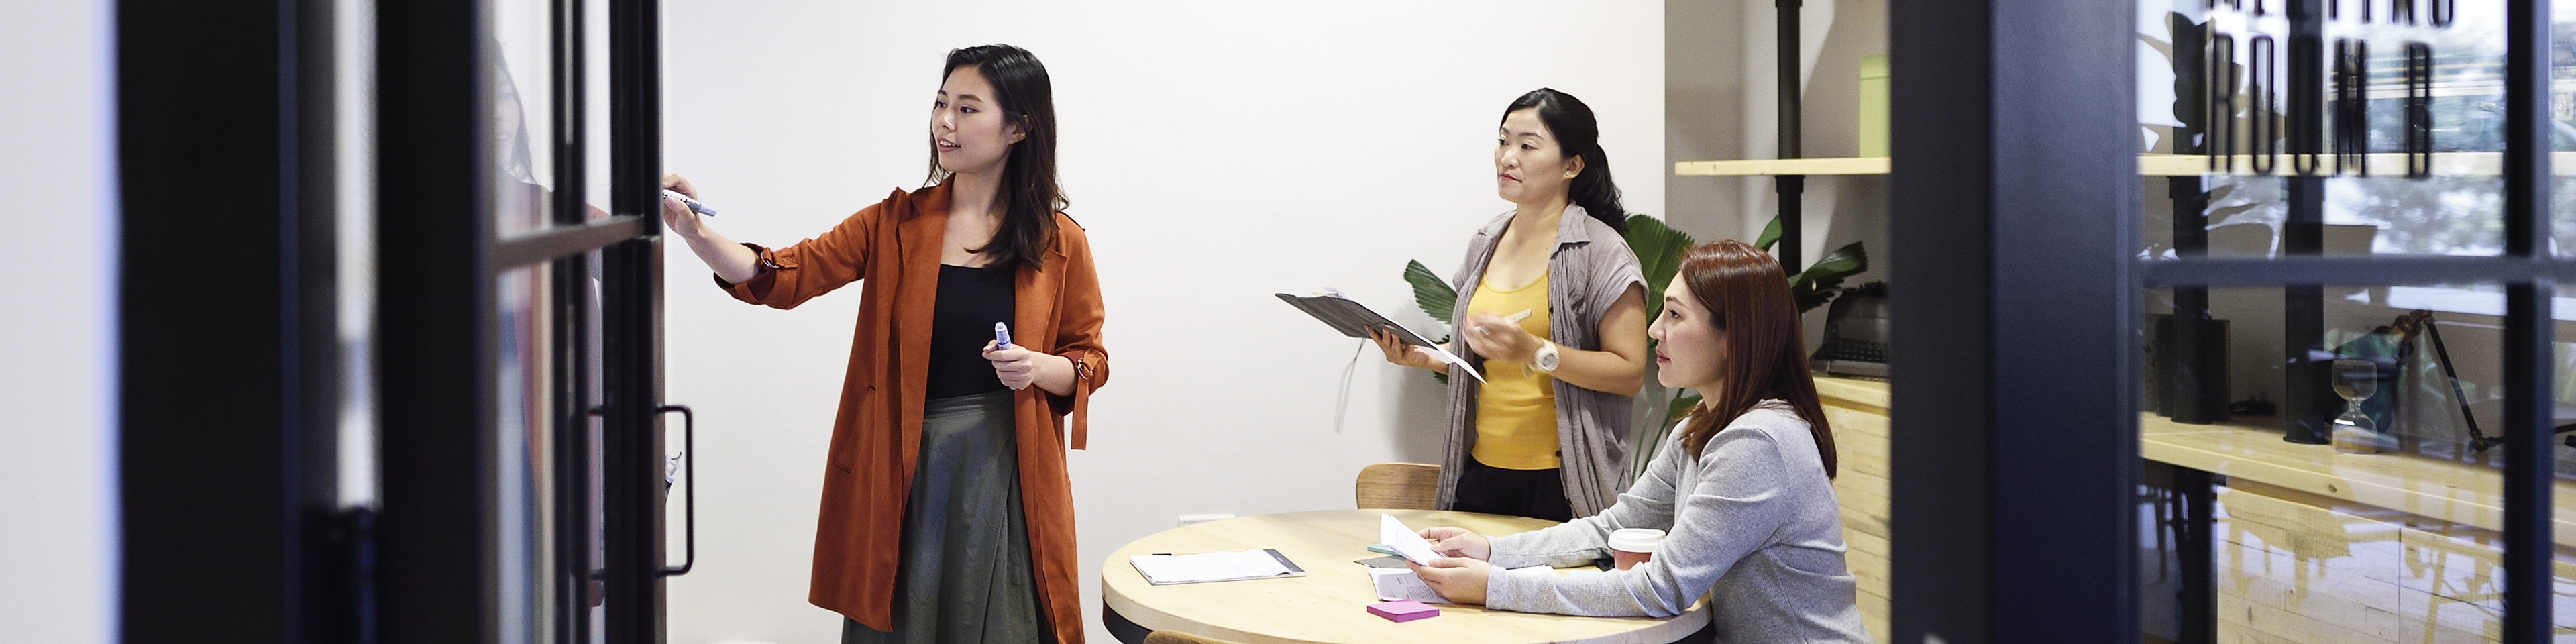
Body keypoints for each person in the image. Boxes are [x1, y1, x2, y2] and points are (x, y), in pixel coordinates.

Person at [659, 44, 1105, 644]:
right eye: (942, 103)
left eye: (968, 109)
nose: (945, 122)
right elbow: (785, 274)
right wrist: (696, 232)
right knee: (905, 617)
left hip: (1007, 472)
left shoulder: (1060, 241)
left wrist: (1039, 368)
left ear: (1019, 127)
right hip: (907, 468)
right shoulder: (895, 224)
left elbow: (1088, 359)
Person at [1403, 239, 1869, 643]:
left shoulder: (1758, 442)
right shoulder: (1702, 425)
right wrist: (1491, 551)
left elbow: (1660, 589)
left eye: (1674, 315)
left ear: (1733, 337)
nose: (1653, 331)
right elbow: (1614, 527)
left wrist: (1495, 586)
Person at [1372, 88, 1648, 521]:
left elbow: (1629, 373)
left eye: (1527, 145)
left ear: (1572, 165)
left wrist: (1535, 352)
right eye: (1503, 141)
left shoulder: (1601, 250)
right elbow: (1485, 361)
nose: (1507, 157)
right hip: (1482, 470)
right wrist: (1426, 357)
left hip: (1564, 480)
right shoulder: (1486, 242)